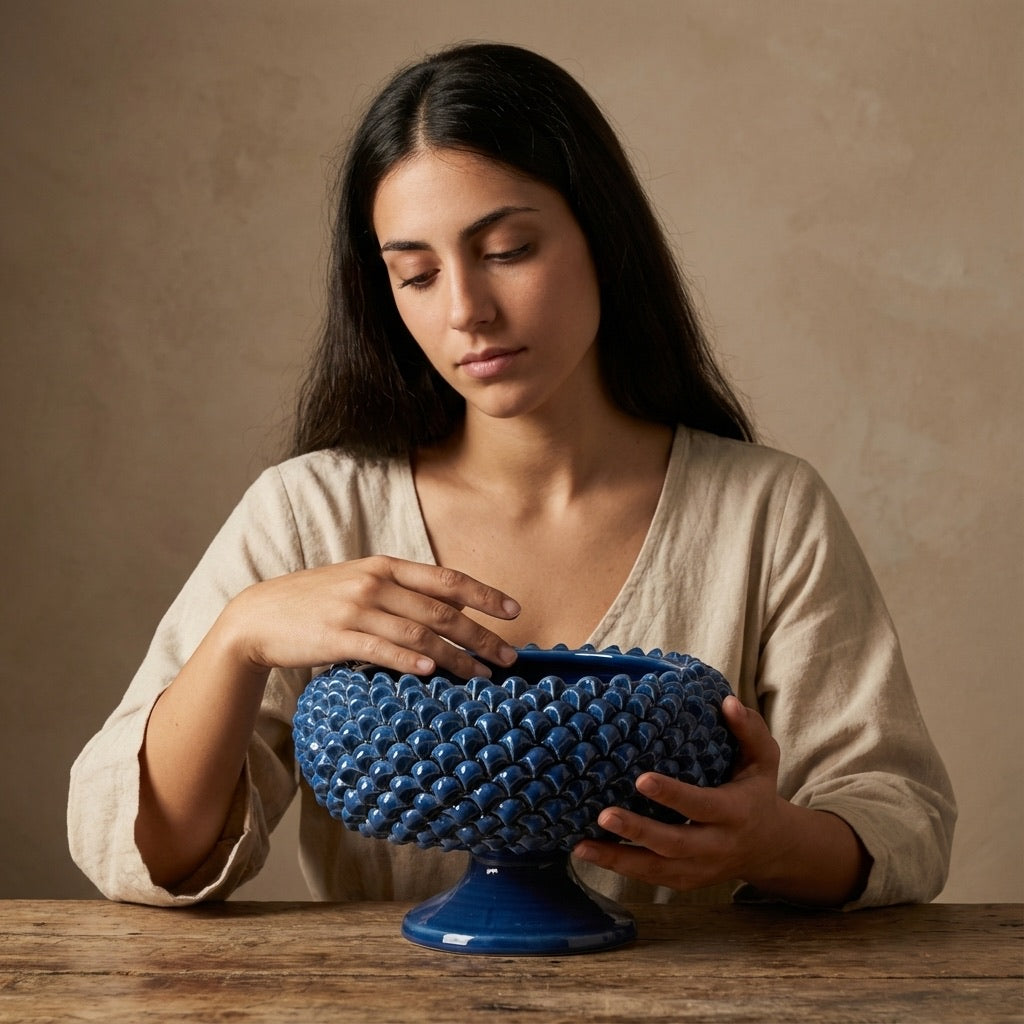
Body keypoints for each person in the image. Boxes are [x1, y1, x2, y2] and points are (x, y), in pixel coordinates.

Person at [68, 42, 955, 910]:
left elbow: (900, 816)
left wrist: (772, 843)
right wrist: (239, 635)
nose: (466, 312)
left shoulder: (765, 511)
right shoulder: (310, 512)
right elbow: (142, 853)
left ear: (602, 238)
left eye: (507, 251)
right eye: (415, 275)